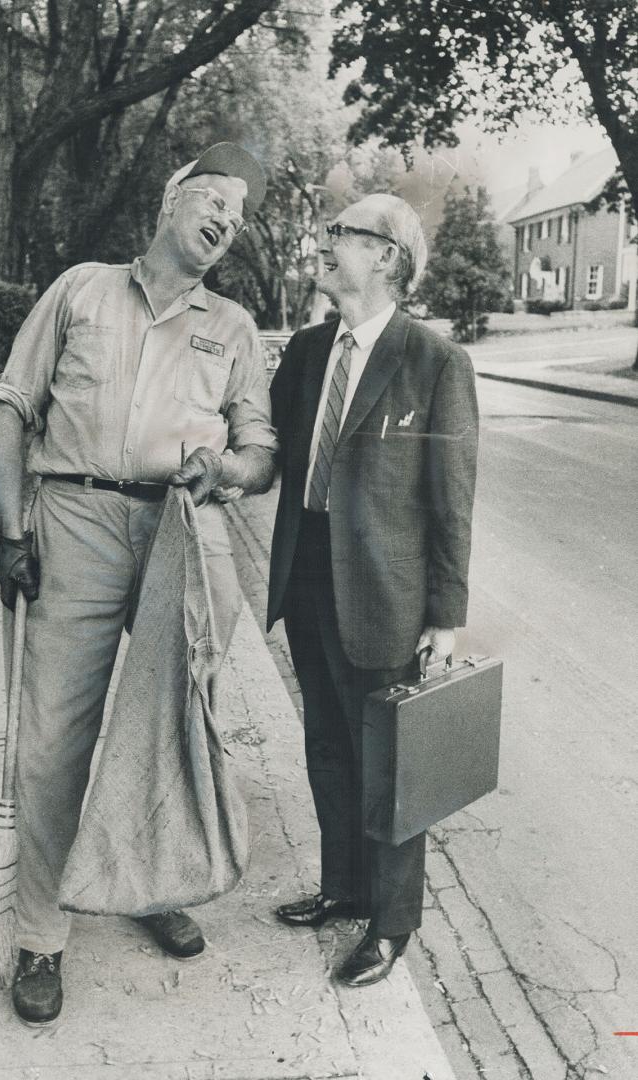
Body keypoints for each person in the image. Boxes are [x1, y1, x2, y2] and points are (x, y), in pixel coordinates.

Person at [0, 143, 278, 1025]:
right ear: (171, 197)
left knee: (171, 732)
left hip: (182, 539)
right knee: (51, 739)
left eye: (240, 212)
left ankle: (154, 883)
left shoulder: (232, 326)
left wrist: (223, 467)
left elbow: (261, 453)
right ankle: (40, 934)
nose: (227, 217)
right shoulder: (79, 290)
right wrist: (10, 530)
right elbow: (8, 407)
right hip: (74, 523)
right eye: (214, 197)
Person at [267, 193, 478, 986]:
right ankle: (343, 888)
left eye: (341, 234)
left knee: (390, 763)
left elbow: (451, 502)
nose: (324, 245)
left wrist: (445, 618)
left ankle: (392, 924)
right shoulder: (306, 350)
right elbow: (272, 451)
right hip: (307, 576)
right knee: (326, 745)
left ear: (386, 255)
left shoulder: (434, 362)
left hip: (387, 595)